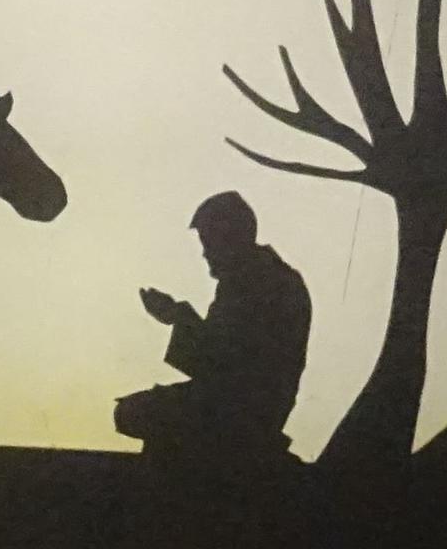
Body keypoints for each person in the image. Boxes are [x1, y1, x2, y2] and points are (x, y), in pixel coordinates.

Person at [113, 190, 311, 468]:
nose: (205, 253)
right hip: (245, 405)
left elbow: (221, 364)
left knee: (134, 412)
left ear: (230, 238)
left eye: (209, 243)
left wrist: (177, 316)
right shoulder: (263, 278)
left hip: (241, 409)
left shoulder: (258, 283)